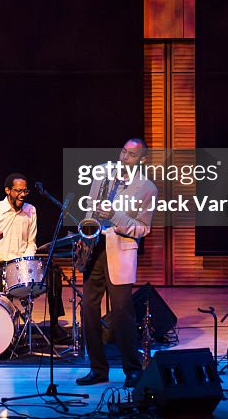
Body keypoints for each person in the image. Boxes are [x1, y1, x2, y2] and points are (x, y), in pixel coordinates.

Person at [77, 139, 158, 388]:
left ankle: (132, 369)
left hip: (120, 249)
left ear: (142, 160)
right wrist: (86, 234)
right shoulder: (102, 173)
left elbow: (143, 229)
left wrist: (114, 215)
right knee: (88, 310)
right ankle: (97, 368)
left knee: (122, 314)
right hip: (94, 247)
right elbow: (90, 208)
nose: (124, 158)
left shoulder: (148, 189)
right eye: (123, 152)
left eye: (132, 155)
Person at [0, 173, 38, 293]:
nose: (23, 195)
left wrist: (25, 263)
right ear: (7, 190)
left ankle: (55, 312)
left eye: (25, 191)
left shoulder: (31, 210)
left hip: (21, 264)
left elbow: (31, 242)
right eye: (18, 191)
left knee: (53, 272)